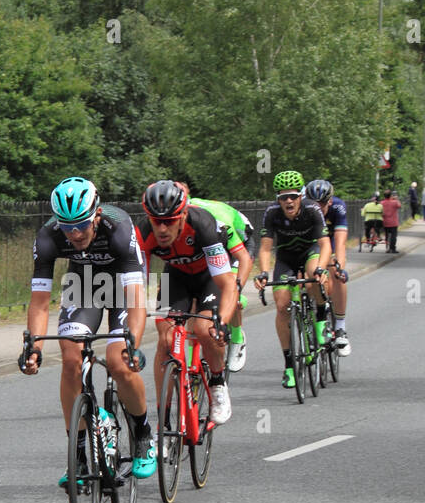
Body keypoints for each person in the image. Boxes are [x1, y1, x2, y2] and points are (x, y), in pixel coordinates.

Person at [20, 177, 155, 483]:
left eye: (81, 224)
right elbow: (39, 303)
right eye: (67, 227)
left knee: (119, 361)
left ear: (96, 215)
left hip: (123, 285)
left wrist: (132, 343)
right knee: (71, 360)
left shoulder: (119, 229)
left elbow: (135, 298)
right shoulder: (48, 236)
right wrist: (35, 348)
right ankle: (79, 454)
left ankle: (143, 433)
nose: (75, 233)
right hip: (83, 286)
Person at [134, 181, 237, 424]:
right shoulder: (143, 233)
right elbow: (136, 290)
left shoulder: (203, 225)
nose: (161, 228)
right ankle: (165, 420)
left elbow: (227, 284)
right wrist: (132, 341)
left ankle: (217, 382)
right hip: (175, 277)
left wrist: (221, 322)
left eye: (169, 221)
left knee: (205, 330)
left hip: (209, 278)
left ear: (183, 216)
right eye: (155, 220)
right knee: (166, 339)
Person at [253, 171, 332, 389]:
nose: (288, 201)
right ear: (278, 199)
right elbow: (266, 247)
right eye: (283, 197)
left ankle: (321, 324)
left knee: (312, 278)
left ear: (300, 196)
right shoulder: (272, 213)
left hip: (310, 252)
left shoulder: (312, 209)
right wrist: (263, 272)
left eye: (293, 196)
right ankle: (289, 366)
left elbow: (325, 244)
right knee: (281, 306)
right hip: (286, 258)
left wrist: (321, 269)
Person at [183, 182, 255, 372]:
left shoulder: (216, 219)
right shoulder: (187, 221)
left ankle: (238, 338)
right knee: (193, 303)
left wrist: (235, 288)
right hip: (210, 244)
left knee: (230, 293)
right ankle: (193, 363)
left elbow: (242, 257)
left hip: (238, 239)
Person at [303, 178, 352, 355]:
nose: (318, 207)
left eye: (322, 203)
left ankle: (340, 327)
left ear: (330, 201)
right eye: (313, 203)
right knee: (306, 281)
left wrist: (339, 265)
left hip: (329, 244)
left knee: (336, 273)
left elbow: (340, 243)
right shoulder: (302, 208)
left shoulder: (338, 207)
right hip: (310, 246)